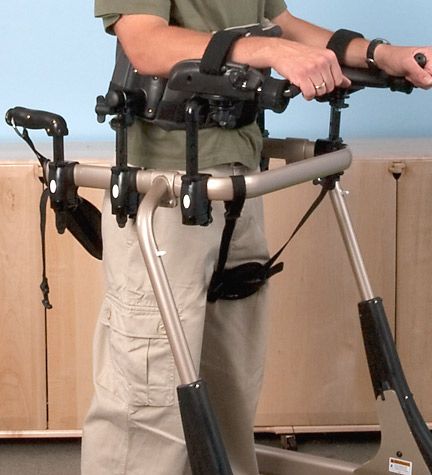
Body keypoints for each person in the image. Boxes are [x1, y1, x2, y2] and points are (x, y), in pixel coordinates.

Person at [81, 2, 432, 474]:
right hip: (166, 185)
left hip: (238, 177)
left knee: (231, 381)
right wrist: (270, 51)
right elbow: (146, 43)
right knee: (150, 392)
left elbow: (281, 24)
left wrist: (380, 54)